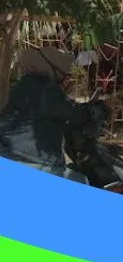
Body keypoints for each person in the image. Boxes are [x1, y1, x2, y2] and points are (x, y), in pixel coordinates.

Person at [0, 47, 90, 180]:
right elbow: (74, 113)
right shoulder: (47, 90)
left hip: (8, 155)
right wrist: (100, 109)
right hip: (33, 160)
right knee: (81, 180)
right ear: (52, 68)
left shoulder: (19, 86)